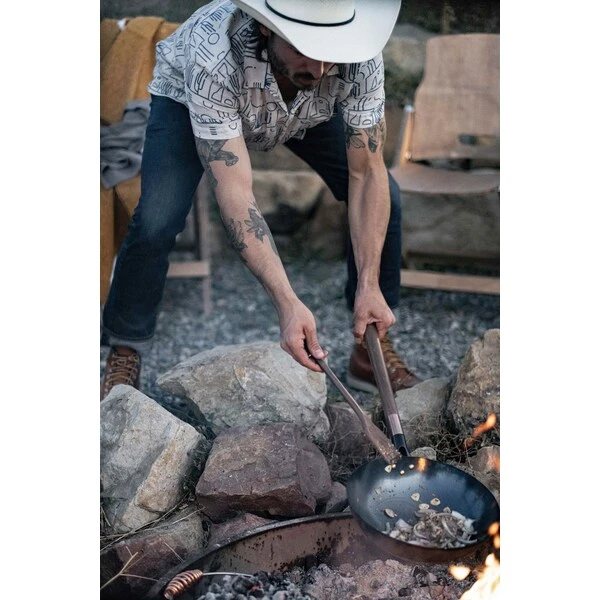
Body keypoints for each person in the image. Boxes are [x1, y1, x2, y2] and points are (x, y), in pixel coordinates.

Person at [100, 0, 422, 400]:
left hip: (305, 109)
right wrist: (287, 303)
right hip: (192, 101)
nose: (319, 68)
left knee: (387, 194)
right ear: (266, 27)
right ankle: (125, 349)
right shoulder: (212, 53)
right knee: (156, 219)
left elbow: (366, 174)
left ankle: (370, 346)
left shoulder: (357, 55)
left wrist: (369, 284)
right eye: (304, 48)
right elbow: (236, 192)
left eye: (330, 52)